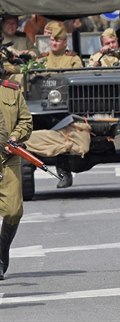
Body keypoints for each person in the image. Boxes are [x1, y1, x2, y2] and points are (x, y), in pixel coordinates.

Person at [37, 23, 83, 188]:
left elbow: (78, 78)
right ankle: (62, 171)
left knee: (64, 133)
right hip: (46, 107)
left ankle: (64, 171)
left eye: (58, 40)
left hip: (69, 106)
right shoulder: (41, 59)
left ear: (65, 42)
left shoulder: (72, 59)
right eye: (52, 40)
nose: (54, 43)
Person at [0, 74, 34, 280]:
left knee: (13, 211)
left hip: (8, 158)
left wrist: (14, 137)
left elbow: (26, 120)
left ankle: (2, 250)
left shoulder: (11, 90)